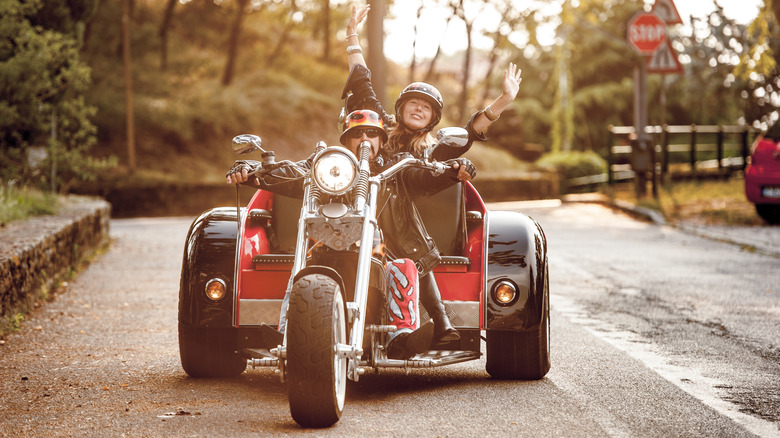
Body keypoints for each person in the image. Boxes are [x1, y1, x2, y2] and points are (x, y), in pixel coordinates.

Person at [227, 109, 476, 359]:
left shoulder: (399, 165)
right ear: (346, 140)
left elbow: (426, 175)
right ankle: (287, 332)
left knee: (406, 265)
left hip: (384, 254)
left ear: (381, 140)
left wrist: (457, 168)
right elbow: (291, 171)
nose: (365, 139)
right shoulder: (328, 165)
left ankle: (400, 338)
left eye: (372, 133)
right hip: (330, 248)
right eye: (357, 133)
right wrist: (251, 169)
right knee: (301, 266)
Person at [340, 4, 522, 347]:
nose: (419, 107)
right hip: (363, 209)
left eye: (427, 106)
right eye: (413, 102)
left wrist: (502, 101)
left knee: (405, 236)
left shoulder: (432, 150)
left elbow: (468, 135)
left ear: (434, 118)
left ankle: (438, 323)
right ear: (399, 108)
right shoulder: (376, 131)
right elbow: (362, 82)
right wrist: (352, 33)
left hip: (402, 220)